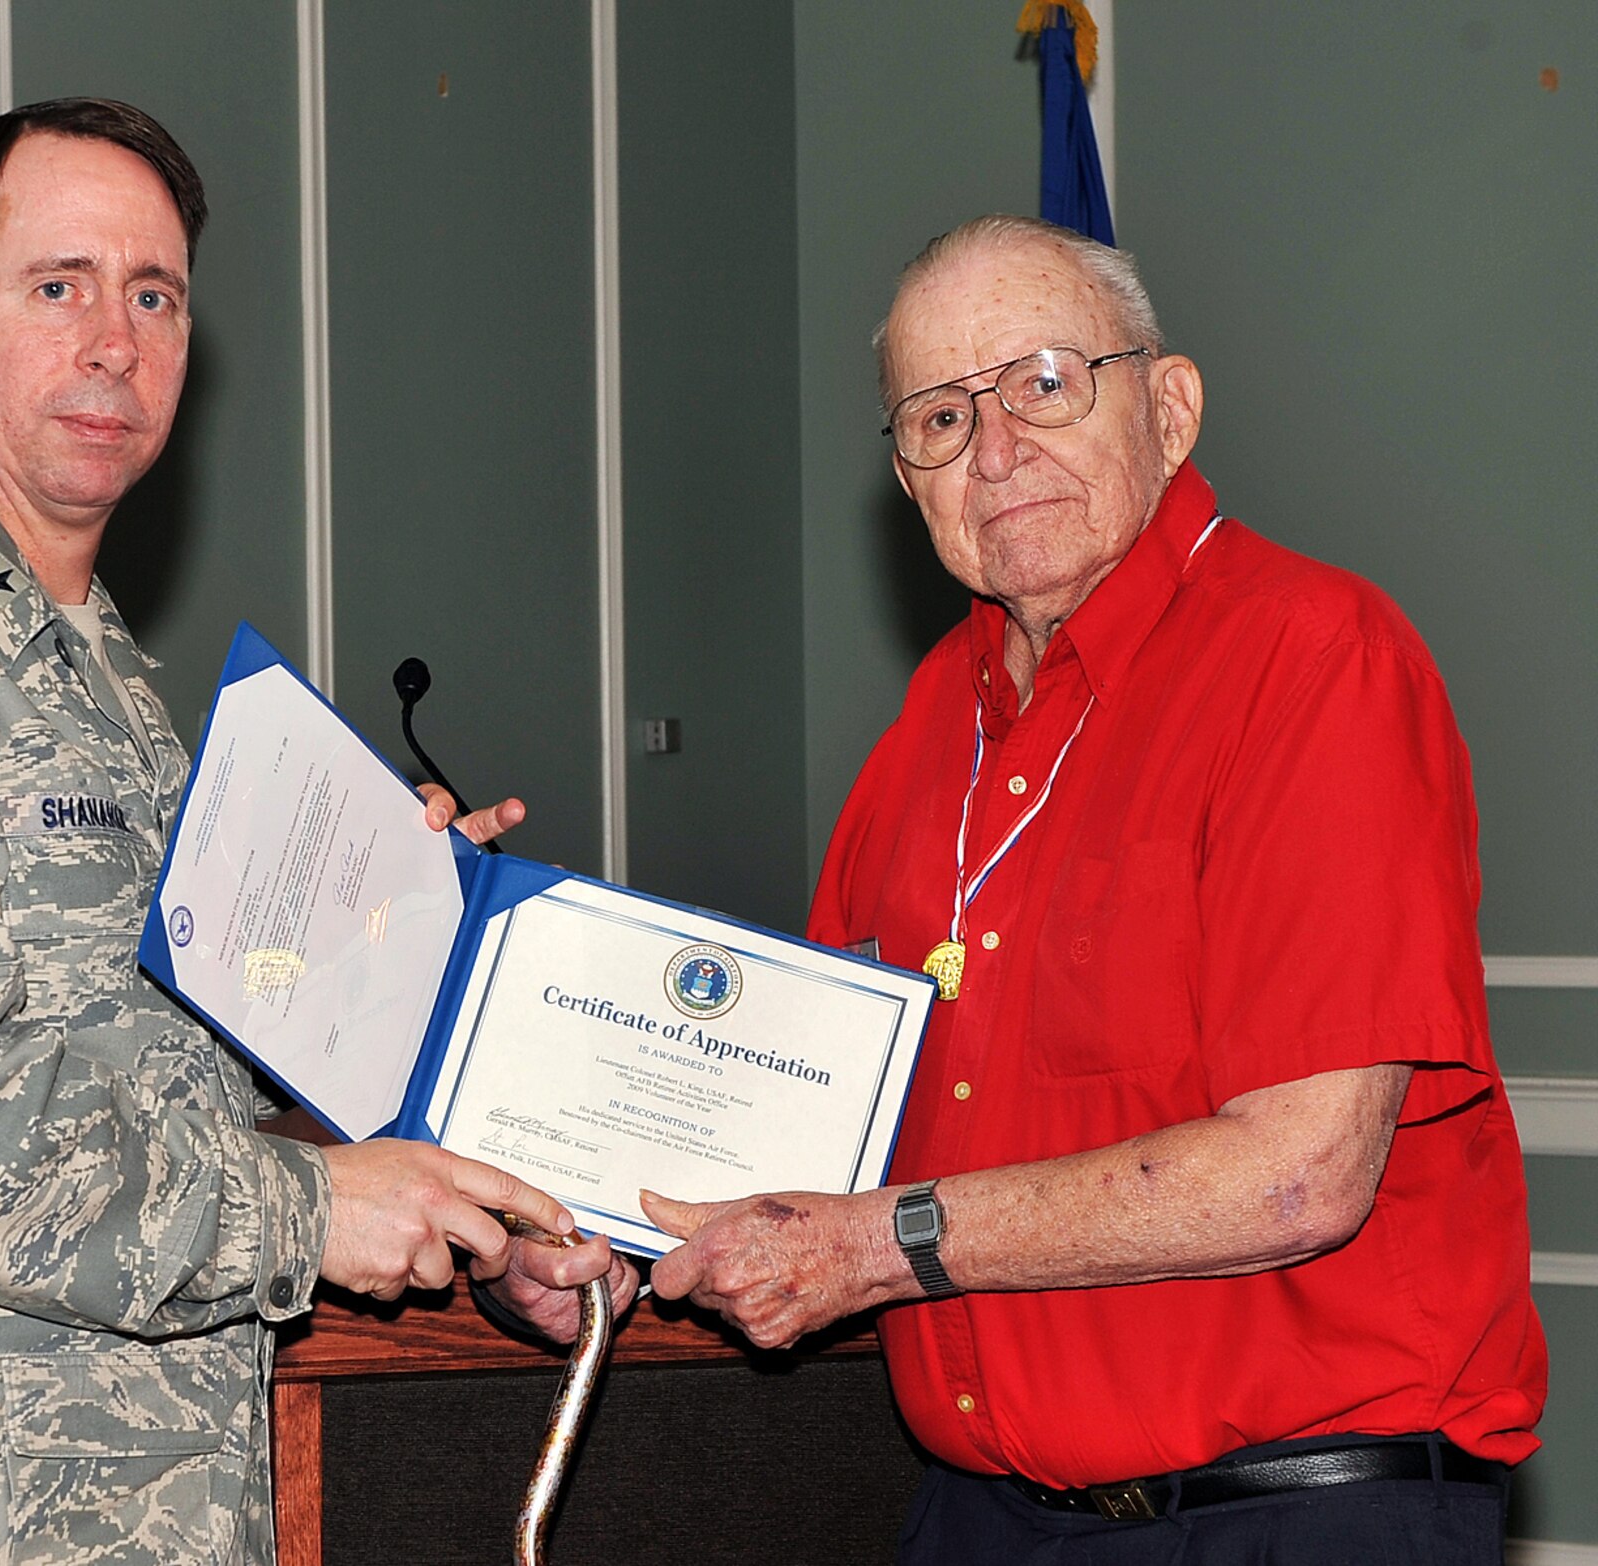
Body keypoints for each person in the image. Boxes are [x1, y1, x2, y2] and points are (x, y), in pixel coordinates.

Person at [0, 98, 630, 1565]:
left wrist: (375, 945)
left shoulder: (108, 688)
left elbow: (164, 1085)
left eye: (153, 295)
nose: (117, 339)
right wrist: (313, 1211)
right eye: (60, 285)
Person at [640, 214, 1546, 1563]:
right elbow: (800, 1123)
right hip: (981, 1520)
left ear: (1169, 407)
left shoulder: (1309, 660)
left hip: (1286, 1518)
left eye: (1045, 382)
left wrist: (889, 1243)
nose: (996, 450)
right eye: (938, 417)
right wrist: (607, 1242)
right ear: (906, 476)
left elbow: (1299, 1176)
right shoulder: (922, 738)